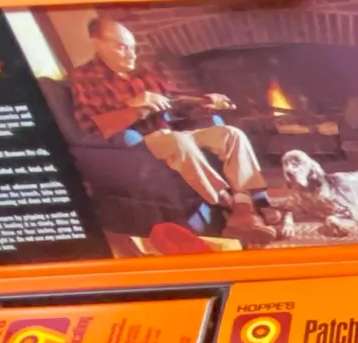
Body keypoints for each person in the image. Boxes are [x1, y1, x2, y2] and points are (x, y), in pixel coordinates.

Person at [70, 17, 277, 244]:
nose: (131, 55)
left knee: (230, 134)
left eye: (133, 48)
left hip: (172, 134)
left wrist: (205, 100)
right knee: (177, 141)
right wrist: (134, 108)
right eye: (122, 47)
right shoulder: (84, 78)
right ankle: (227, 204)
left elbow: (173, 99)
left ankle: (243, 209)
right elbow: (90, 126)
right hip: (140, 143)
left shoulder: (141, 73)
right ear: (97, 43)